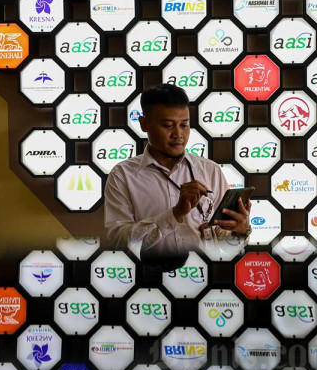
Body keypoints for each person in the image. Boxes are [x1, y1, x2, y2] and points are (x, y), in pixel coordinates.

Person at [104, 84, 252, 268]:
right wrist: (175, 214)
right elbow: (117, 241)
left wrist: (240, 232)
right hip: (148, 279)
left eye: (184, 125)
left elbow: (224, 245)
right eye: (168, 125)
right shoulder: (122, 176)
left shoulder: (210, 170)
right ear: (144, 124)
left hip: (204, 277)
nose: (178, 134)